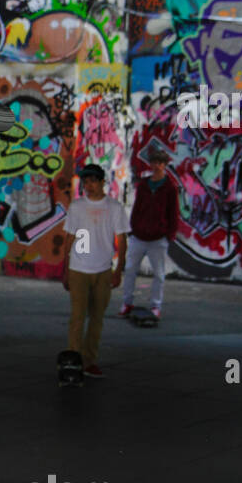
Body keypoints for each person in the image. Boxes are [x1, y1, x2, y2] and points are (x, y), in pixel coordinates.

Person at [60, 163, 128, 379]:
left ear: (101, 182)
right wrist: (65, 268)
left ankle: (90, 360)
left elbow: (122, 240)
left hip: (103, 269)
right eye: (85, 182)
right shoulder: (77, 207)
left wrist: (119, 270)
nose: (88, 186)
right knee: (78, 317)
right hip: (79, 268)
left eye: (92, 181)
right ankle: (74, 360)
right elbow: (69, 238)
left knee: (97, 318)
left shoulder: (114, 207)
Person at [118, 149, 179, 319]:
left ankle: (155, 306)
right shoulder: (144, 185)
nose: (157, 166)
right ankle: (127, 303)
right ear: (151, 164)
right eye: (154, 163)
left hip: (158, 238)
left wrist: (169, 234)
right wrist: (134, 228)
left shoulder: (169, 188)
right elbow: (137, 208)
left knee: (159, 274)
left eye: (160, 163)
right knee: (130, 270)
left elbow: (173, 213)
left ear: (165, 166)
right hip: (139, 236)